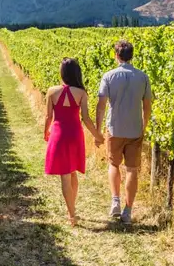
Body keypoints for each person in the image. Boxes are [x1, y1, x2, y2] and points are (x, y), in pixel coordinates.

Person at [96, 40, 152, 225]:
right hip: (135, 129)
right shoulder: (143, 77)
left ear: (116, 55)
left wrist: (98, 130)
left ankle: (115, 201)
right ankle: (128, 210)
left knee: (113, 165)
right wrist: (143, 127)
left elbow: (101, 105)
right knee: (132, 170)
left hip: (114, 128)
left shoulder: (109, 76)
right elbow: (147, 106)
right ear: (132, 56)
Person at [44, 57, 105, 226]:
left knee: (65, 176)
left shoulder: (51, 91)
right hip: (75, 135)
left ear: (62, 73)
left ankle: (71, 214)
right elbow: (86, 119)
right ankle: (72, 208)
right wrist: (97, 135)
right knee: (72, 172)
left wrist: (45, 132)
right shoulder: (81, 93)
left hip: (59, 134)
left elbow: (48, 116)